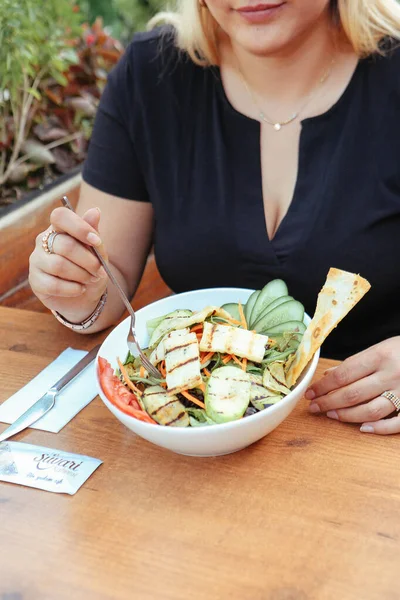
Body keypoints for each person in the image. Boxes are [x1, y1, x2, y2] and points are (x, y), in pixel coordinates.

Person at [29, 0, 400, 435]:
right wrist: (76, 287)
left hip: (371, 440)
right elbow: (110, 282)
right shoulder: (151, 75)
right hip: (192, 439)